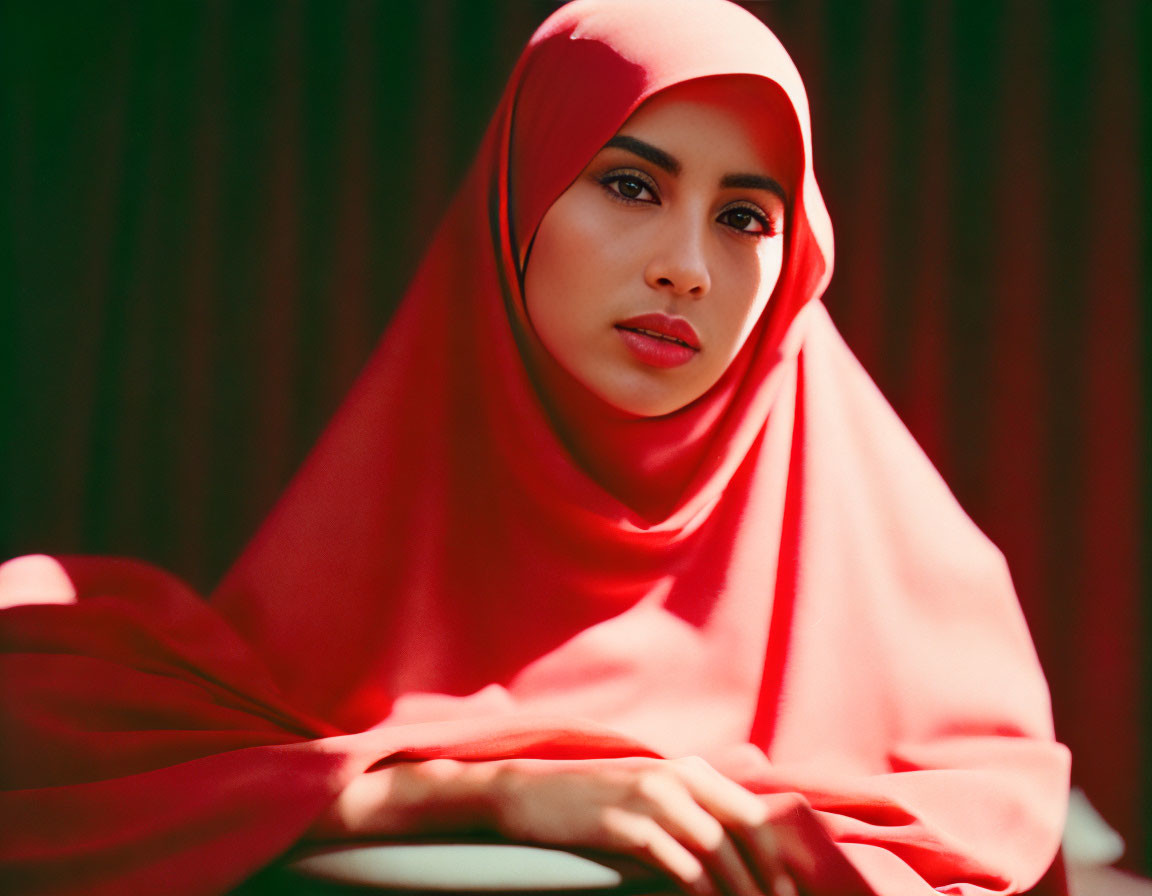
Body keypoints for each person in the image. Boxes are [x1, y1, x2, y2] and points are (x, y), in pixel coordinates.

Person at [0, 1, 1070, 894]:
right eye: (632, 184)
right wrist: (457, 786)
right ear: (516, 196)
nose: (687, 268)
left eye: (745, 216)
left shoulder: (934, 606)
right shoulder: (331, 596)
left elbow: (989, 818)